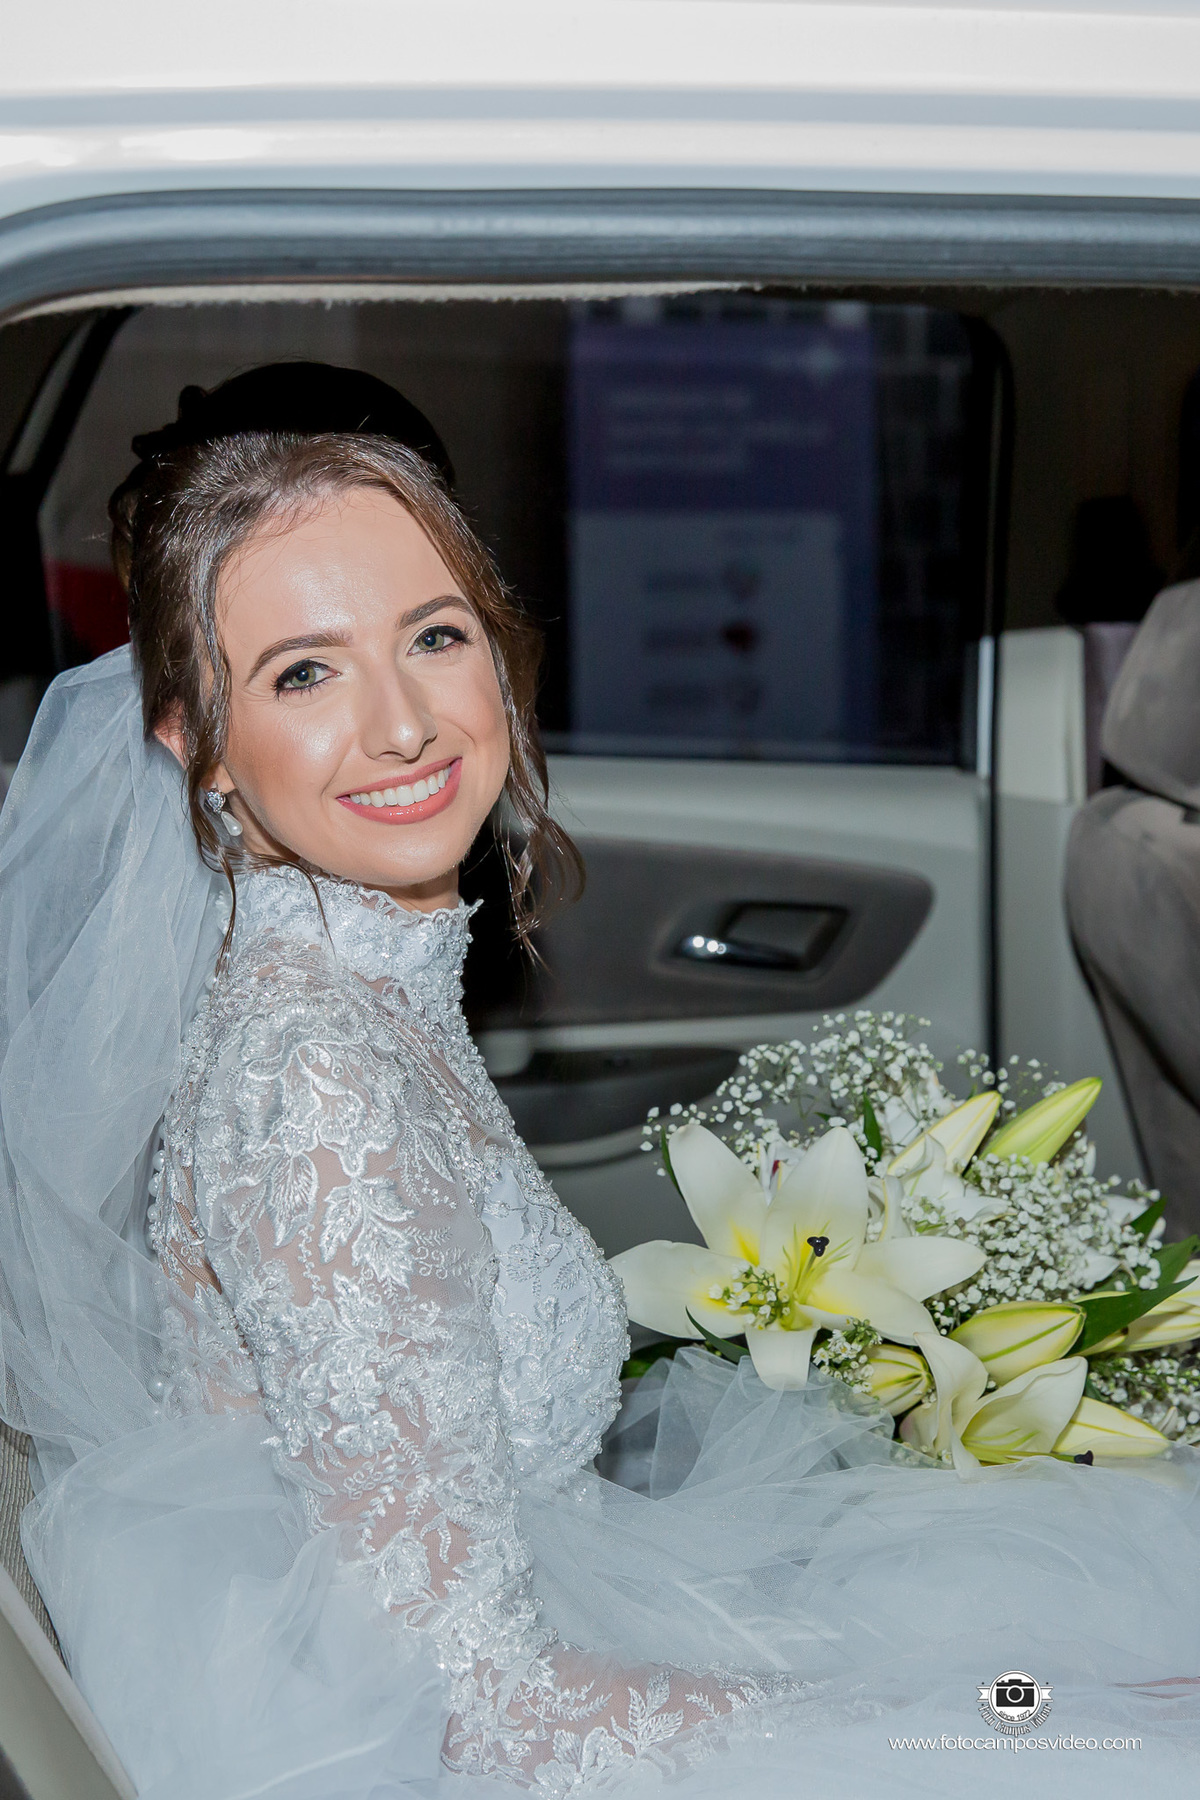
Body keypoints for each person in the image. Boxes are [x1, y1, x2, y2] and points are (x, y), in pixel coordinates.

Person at [0, 364, 1198, 1800]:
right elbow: (468, 1704)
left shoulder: (353, 984)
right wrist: (924, 1716)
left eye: (434, 636)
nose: (401, 723)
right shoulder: (316, 1085)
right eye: (303, 672)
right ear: (194, 739)